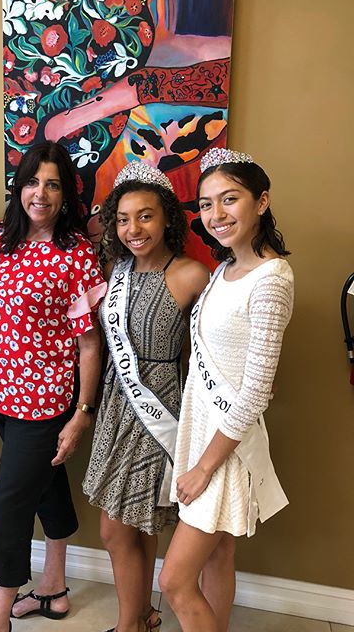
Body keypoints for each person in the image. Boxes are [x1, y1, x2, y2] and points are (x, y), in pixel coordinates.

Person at [0, 141, 106, 632]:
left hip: (44, 402)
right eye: (32, 181)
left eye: (53, 184)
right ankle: (54, 588)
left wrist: (82, 412)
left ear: (65, 193)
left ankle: (1, 613)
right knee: (47, 487)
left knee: (8, 505)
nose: (41, 194)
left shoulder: (75, 255)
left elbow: (90, 345)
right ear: (19, 186)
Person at [158, 148, 294, 632]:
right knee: (218, 557)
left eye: (229, 199)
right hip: (205, 432)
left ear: (261, 202)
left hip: (224, 450)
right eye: (207, 204)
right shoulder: (224, 269)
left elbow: (255, 393)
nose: (216, 215)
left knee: (174, 581)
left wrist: (202, 468)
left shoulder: (271, 279)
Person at [82, 161, 209, 632]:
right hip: (119, 404)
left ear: (167, 219)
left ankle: (128, 623)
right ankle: (141, 614)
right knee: (125, 526)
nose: (133, 229)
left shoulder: (193, 275)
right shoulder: (115, 271)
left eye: (146, 216)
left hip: (162, 412)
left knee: (129, 525)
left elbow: (205, 358)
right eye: (123, 218)